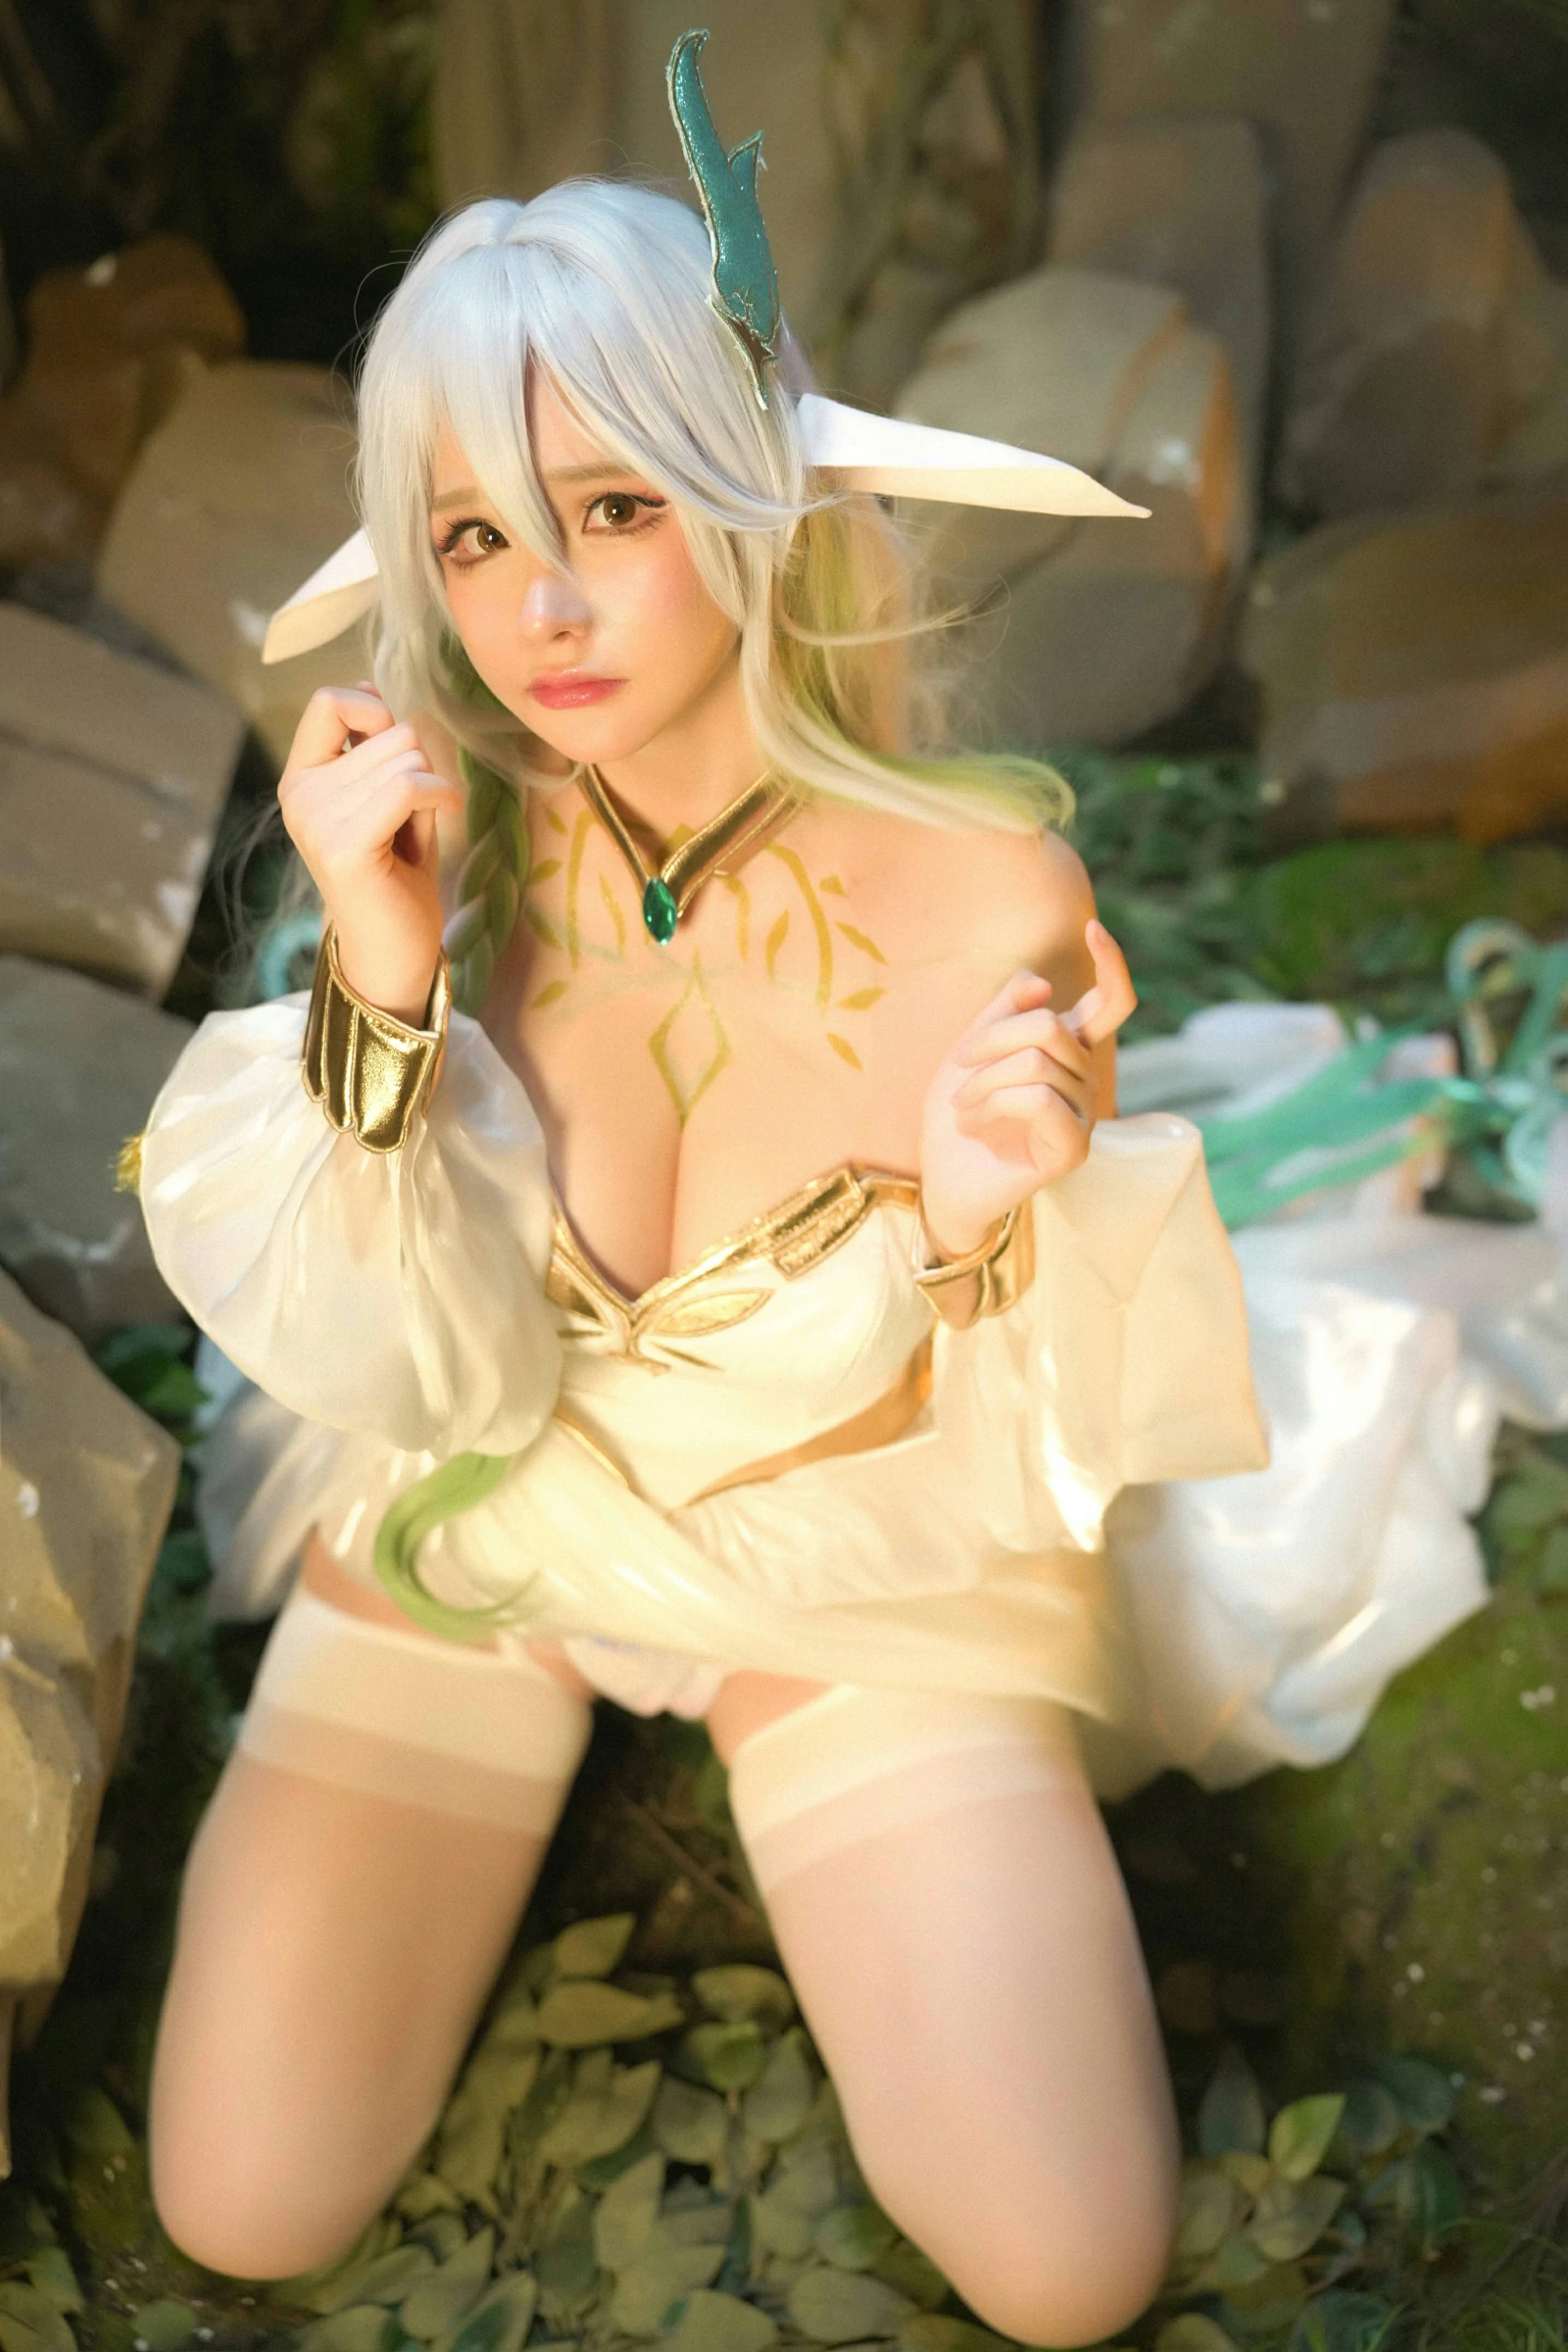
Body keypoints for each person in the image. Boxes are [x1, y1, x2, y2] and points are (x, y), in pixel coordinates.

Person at [131, 38, 1273, 2343]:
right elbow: (396, 1338)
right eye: (474, 536)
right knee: (240, 2201)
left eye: (614, 506)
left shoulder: (984, 893)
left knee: (1067, 2266)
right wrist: (379, 978)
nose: (541, 606)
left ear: (752, 491)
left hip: (849, 1557)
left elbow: (1039, 1420)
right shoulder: (438, 851)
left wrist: (986, 1207)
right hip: (480, 1506)